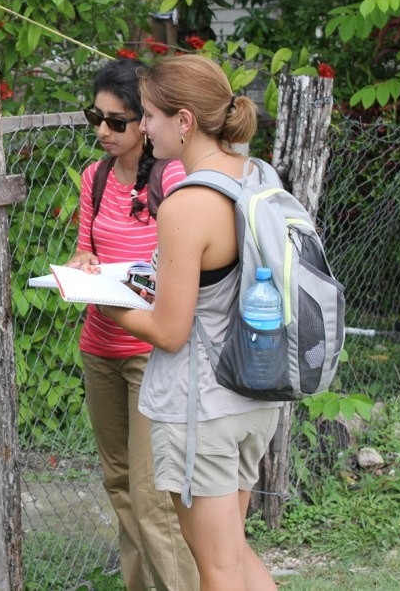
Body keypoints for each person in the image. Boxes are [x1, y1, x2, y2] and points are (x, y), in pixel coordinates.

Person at [99, 54, 283, 591]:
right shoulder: (257, 175)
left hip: (202, 407)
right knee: (233, 554)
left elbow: (170, 331)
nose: (144, 126)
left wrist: (109, 303)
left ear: (184, 121)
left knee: (217, 569)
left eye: (151, 115)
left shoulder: (186, 204)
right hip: (255, 392)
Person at [66, 58, 198, 591]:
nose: (102, 131)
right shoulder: (94, 179)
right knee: (119, 485)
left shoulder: (174, 180)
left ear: (146, 121)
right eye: (96, 117)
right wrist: (80, 268)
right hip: (100, 347)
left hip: (153, 354)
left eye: (115, 121)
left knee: (152, 499)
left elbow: (188, 270)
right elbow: (84, 252)